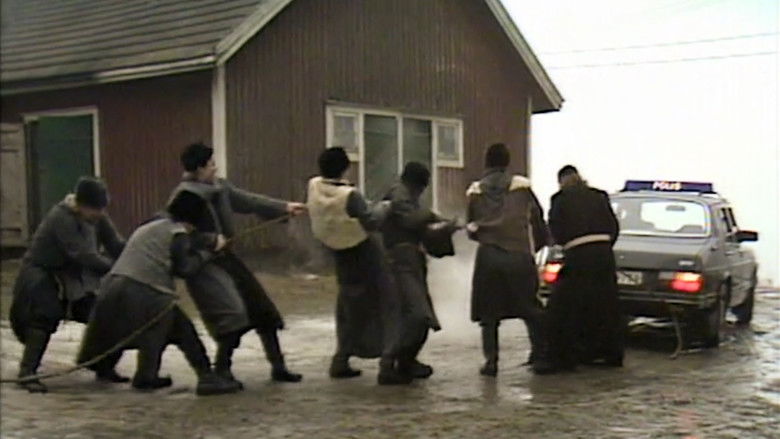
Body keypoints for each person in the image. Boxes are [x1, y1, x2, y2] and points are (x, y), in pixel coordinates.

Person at [169, 143, 306, 387]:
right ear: (199, 168)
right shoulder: (185, 197)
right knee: (231, 316)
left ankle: (278, 367)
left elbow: (248, 201)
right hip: (205, 265)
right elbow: (177, 232)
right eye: (211, 164)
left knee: (263, 310)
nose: (215, 168)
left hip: (228, 259)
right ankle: (222, 369)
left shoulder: (220, 187)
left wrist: (283, 207)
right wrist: (210, 240)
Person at [76, 191, 240, 395]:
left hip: (113, 284)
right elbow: (185, 268)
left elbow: (189, 241)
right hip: (146, 289)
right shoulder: (178, 233)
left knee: (122, 331)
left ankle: (139, 374)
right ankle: (206, 377)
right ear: (192, 221)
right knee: (182, 329)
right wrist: (208, 253)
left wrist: (209, 241)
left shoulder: (152, 225)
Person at [10, 177, 125, 393]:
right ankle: (27, 372)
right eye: (95, 209)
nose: (99, 214)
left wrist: (132, 256)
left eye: (102, 209)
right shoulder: (61, 217)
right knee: (44, 316)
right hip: (42, 274)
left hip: (74, 278)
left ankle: (102, 365)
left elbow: (115, 244)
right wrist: (116, 269)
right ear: (81, 205)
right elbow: (83, 255)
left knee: (104, 313)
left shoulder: (98, 217)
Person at [306, 147, 410, 385]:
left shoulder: (314, 186)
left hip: (338, 252)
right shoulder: (350, 195)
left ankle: (341, 359)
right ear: (345, 168)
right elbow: (371, 221)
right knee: (389, 302)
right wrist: (385, 206)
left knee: (347, 304)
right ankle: (387, 363)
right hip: (364, 252)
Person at [466, 143, 549, 376]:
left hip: (489, 256)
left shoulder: (475, 191)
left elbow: (471, 228)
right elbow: (537, 218)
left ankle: (491, 362)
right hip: (518, 253)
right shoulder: (522, 188)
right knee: (530, 307)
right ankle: (541, 356)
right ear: (507, 162)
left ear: (487, 162)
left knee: (489, 313)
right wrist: (539, 245)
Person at [543, 165, 624, 373]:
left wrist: (566, 246)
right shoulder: (599, 196)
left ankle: (564, 357)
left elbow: (556, 231)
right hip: (604, 255)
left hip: (578, 254)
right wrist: (604, 246)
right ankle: (610, 353)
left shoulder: (559, 200)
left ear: (562, 182)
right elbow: (614, 227)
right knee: (605, 304)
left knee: (565, 306)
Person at [382, 162, 456, 380]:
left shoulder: (407, 197)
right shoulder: (399, 196)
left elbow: (419, 225)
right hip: (400, 262)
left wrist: (446, 226)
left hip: (410, 262)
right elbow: (411, 219)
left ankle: (407, 362)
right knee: (415, 315)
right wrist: (433, 217)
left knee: (421, 317)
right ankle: (388, 365)